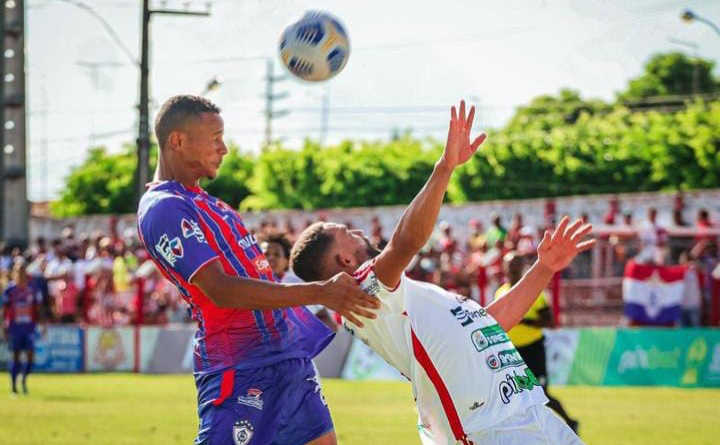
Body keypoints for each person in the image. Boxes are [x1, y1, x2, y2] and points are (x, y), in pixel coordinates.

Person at [291, 101, 594, 445]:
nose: (359, 232)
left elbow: (489, 326)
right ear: (345, 259)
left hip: (528, 416)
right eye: (348, 232)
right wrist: (444, 167)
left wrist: (544, 268)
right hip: (486, 430)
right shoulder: (363, 295)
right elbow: (405, 243)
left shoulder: (410, 294)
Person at [137, 95, 379, 445]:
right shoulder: (164, 209)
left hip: (288, 360)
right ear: (177, 140)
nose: (225, 149)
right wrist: (319, 292)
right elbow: (220, 289)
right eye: (216, 137)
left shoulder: (213, 204)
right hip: (241, 368)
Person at [494, 252, 579, 433]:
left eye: (516, 265)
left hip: (533, 349)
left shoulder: (534, 293)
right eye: (509, 266)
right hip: (512, 352)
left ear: (522, 267)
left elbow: (550, 322)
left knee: (542, 394)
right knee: (514, 395)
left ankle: (570, 421)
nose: (513, 269)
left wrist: (523, 321)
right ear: (504, 268)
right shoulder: (500, 292)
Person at [261, 233, 337, 332]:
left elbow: (327, 322)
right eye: (266, 254)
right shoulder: (245, 285)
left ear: (286, 261)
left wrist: (303, 335)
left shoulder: (301, 285)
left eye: (277, 254)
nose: (270, 258)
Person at [3, 261, 44, 395]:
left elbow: (38, 308)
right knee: (16, 357)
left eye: (22, 270)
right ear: (14, 273)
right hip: (15, 327)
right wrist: (4, 326)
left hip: (29, 327)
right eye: (18, 270)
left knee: (31, 357)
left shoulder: (32, 288)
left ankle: (24, 381)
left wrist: (42, 323)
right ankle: (14, 387)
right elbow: (4, 309)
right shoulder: (9, 290)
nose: (20, 273)